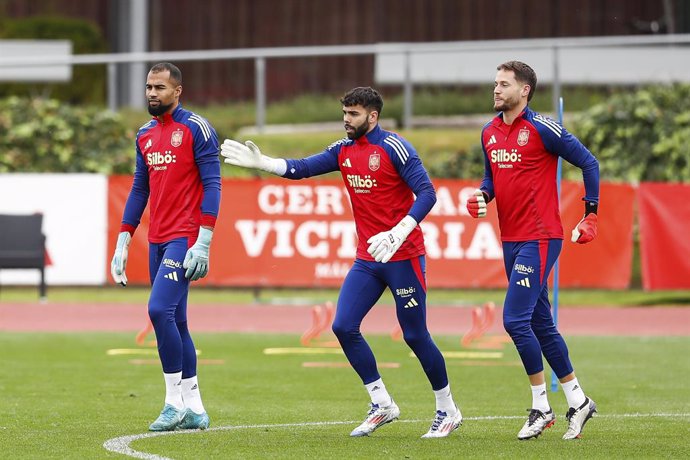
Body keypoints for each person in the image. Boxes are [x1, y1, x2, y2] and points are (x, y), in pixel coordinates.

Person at [221, 87, 462, 438]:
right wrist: (265, 164)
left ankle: (448, 410)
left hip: (403, 255)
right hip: (368, 257)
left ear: (373, 116)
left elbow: (428, 193)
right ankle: (382, 404)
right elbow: (302, 168)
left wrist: (398, 232)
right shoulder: (343, 150)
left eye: (353, 114)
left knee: (414, 334)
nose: (346, 120)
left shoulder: (395, 147)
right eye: (345, 113)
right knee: (343, 326)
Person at [466, 61, 599, 440]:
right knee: (540, 323)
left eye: (504, 84)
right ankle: (579, 401)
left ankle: (541, 407)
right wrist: (481, 195)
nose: (496, 90)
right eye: (495, 83)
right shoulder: (488, 132)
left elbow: (589, 162)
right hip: (510, 239)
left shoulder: (543, 128)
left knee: (514, 320)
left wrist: (591, 215)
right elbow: (491, 178)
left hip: (541, 237)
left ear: (524, 90)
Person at [110, 62, 221, 431]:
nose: (151, 93)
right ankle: (196, 409)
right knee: (177, 320)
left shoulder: (196, 128)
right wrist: (124, 237)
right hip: (157, 237)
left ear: (178, 91)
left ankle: (173, 403)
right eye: (148, 87)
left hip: (185, 236)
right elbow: (140, 187)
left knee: (159, 310)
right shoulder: (144, 134)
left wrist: (203, 241)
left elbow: (213, 185)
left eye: (159, 87)